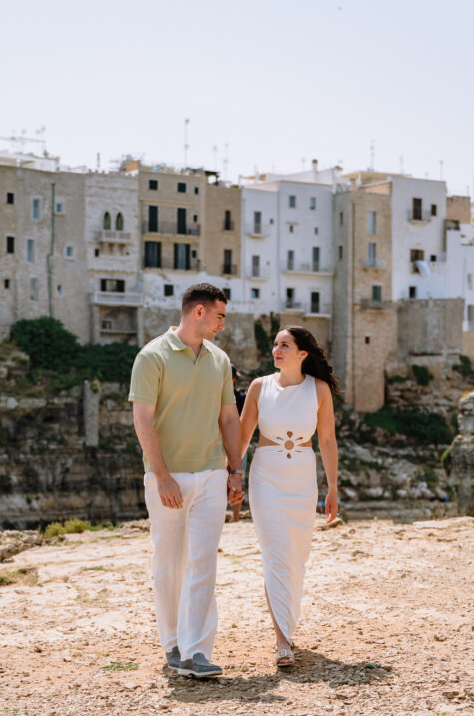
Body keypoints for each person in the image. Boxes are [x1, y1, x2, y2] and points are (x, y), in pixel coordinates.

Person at [129, 284, 243, 678]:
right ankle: (173, 643)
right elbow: (142, 419)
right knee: (168, 563)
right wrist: (161, 476)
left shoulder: (220, 361)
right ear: (198, 311)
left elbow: (229, 418)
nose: (222, 325)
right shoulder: (152, 356)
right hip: (168, 477)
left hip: (211, 472)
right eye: (220, 316)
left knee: (203, 560)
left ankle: (196, 651)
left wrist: (235, 470)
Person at [240, 326, 339, 667]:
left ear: (302, 354)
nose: (277, 349)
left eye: (285, 345)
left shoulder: (319, 389)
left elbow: (327, 440)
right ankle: (282, 640)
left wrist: (333, 487)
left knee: (296, 555)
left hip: (302, 477)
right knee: (276, 553)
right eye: (275, 344)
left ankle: (287, 624)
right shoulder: (259, 387)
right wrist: (232, 475)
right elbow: (242, 437)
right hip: (266, 476)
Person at [230, 366, 246, 522]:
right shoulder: (241, 397)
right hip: (237, 442)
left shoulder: (241, 397)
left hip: (234, 443)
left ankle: (234, 517)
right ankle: (234, 517)